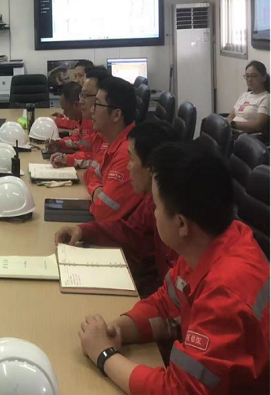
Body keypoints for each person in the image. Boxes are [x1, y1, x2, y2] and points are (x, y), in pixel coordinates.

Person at [78, 143, 269, 394]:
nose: (153, 213)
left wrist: (104, 355)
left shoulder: (226, 293)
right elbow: (165, 304)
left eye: (156, 206)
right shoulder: (210, 243)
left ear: (181, 224)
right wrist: (118, 330)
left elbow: (178, 390)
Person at [54, 120, 180, 297]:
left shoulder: (178, 225)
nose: (128, 166)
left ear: (151, 169)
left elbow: (173, 297)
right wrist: (83, 231)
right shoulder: (152, 202)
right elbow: (129, 231)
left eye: (131, 159)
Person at [84, 76, 143, 221]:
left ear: (116, 115)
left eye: (97, 104)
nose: (92, 110)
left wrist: (96, 189)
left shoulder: (127, 153)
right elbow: (90, 174)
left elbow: (102, 212)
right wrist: (98, 189)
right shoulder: (114, 141)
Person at [49, 68, 112, 173]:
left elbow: (95, 166)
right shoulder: (100, 131)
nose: (81, 102)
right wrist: (63, 149)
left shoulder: (118, 143)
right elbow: (89, 151)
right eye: (81, 95)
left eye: (85, 96)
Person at [227, 60, 269, 134]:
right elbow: (230, 116)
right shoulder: (244, 95)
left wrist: (233, 124)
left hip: (246, 136)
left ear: (264, 77)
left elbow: (258, 125)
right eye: (247, 76)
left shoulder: (266, 98)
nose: (249, 79)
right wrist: (229, 123)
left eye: (253, 76)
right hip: (231, 132)